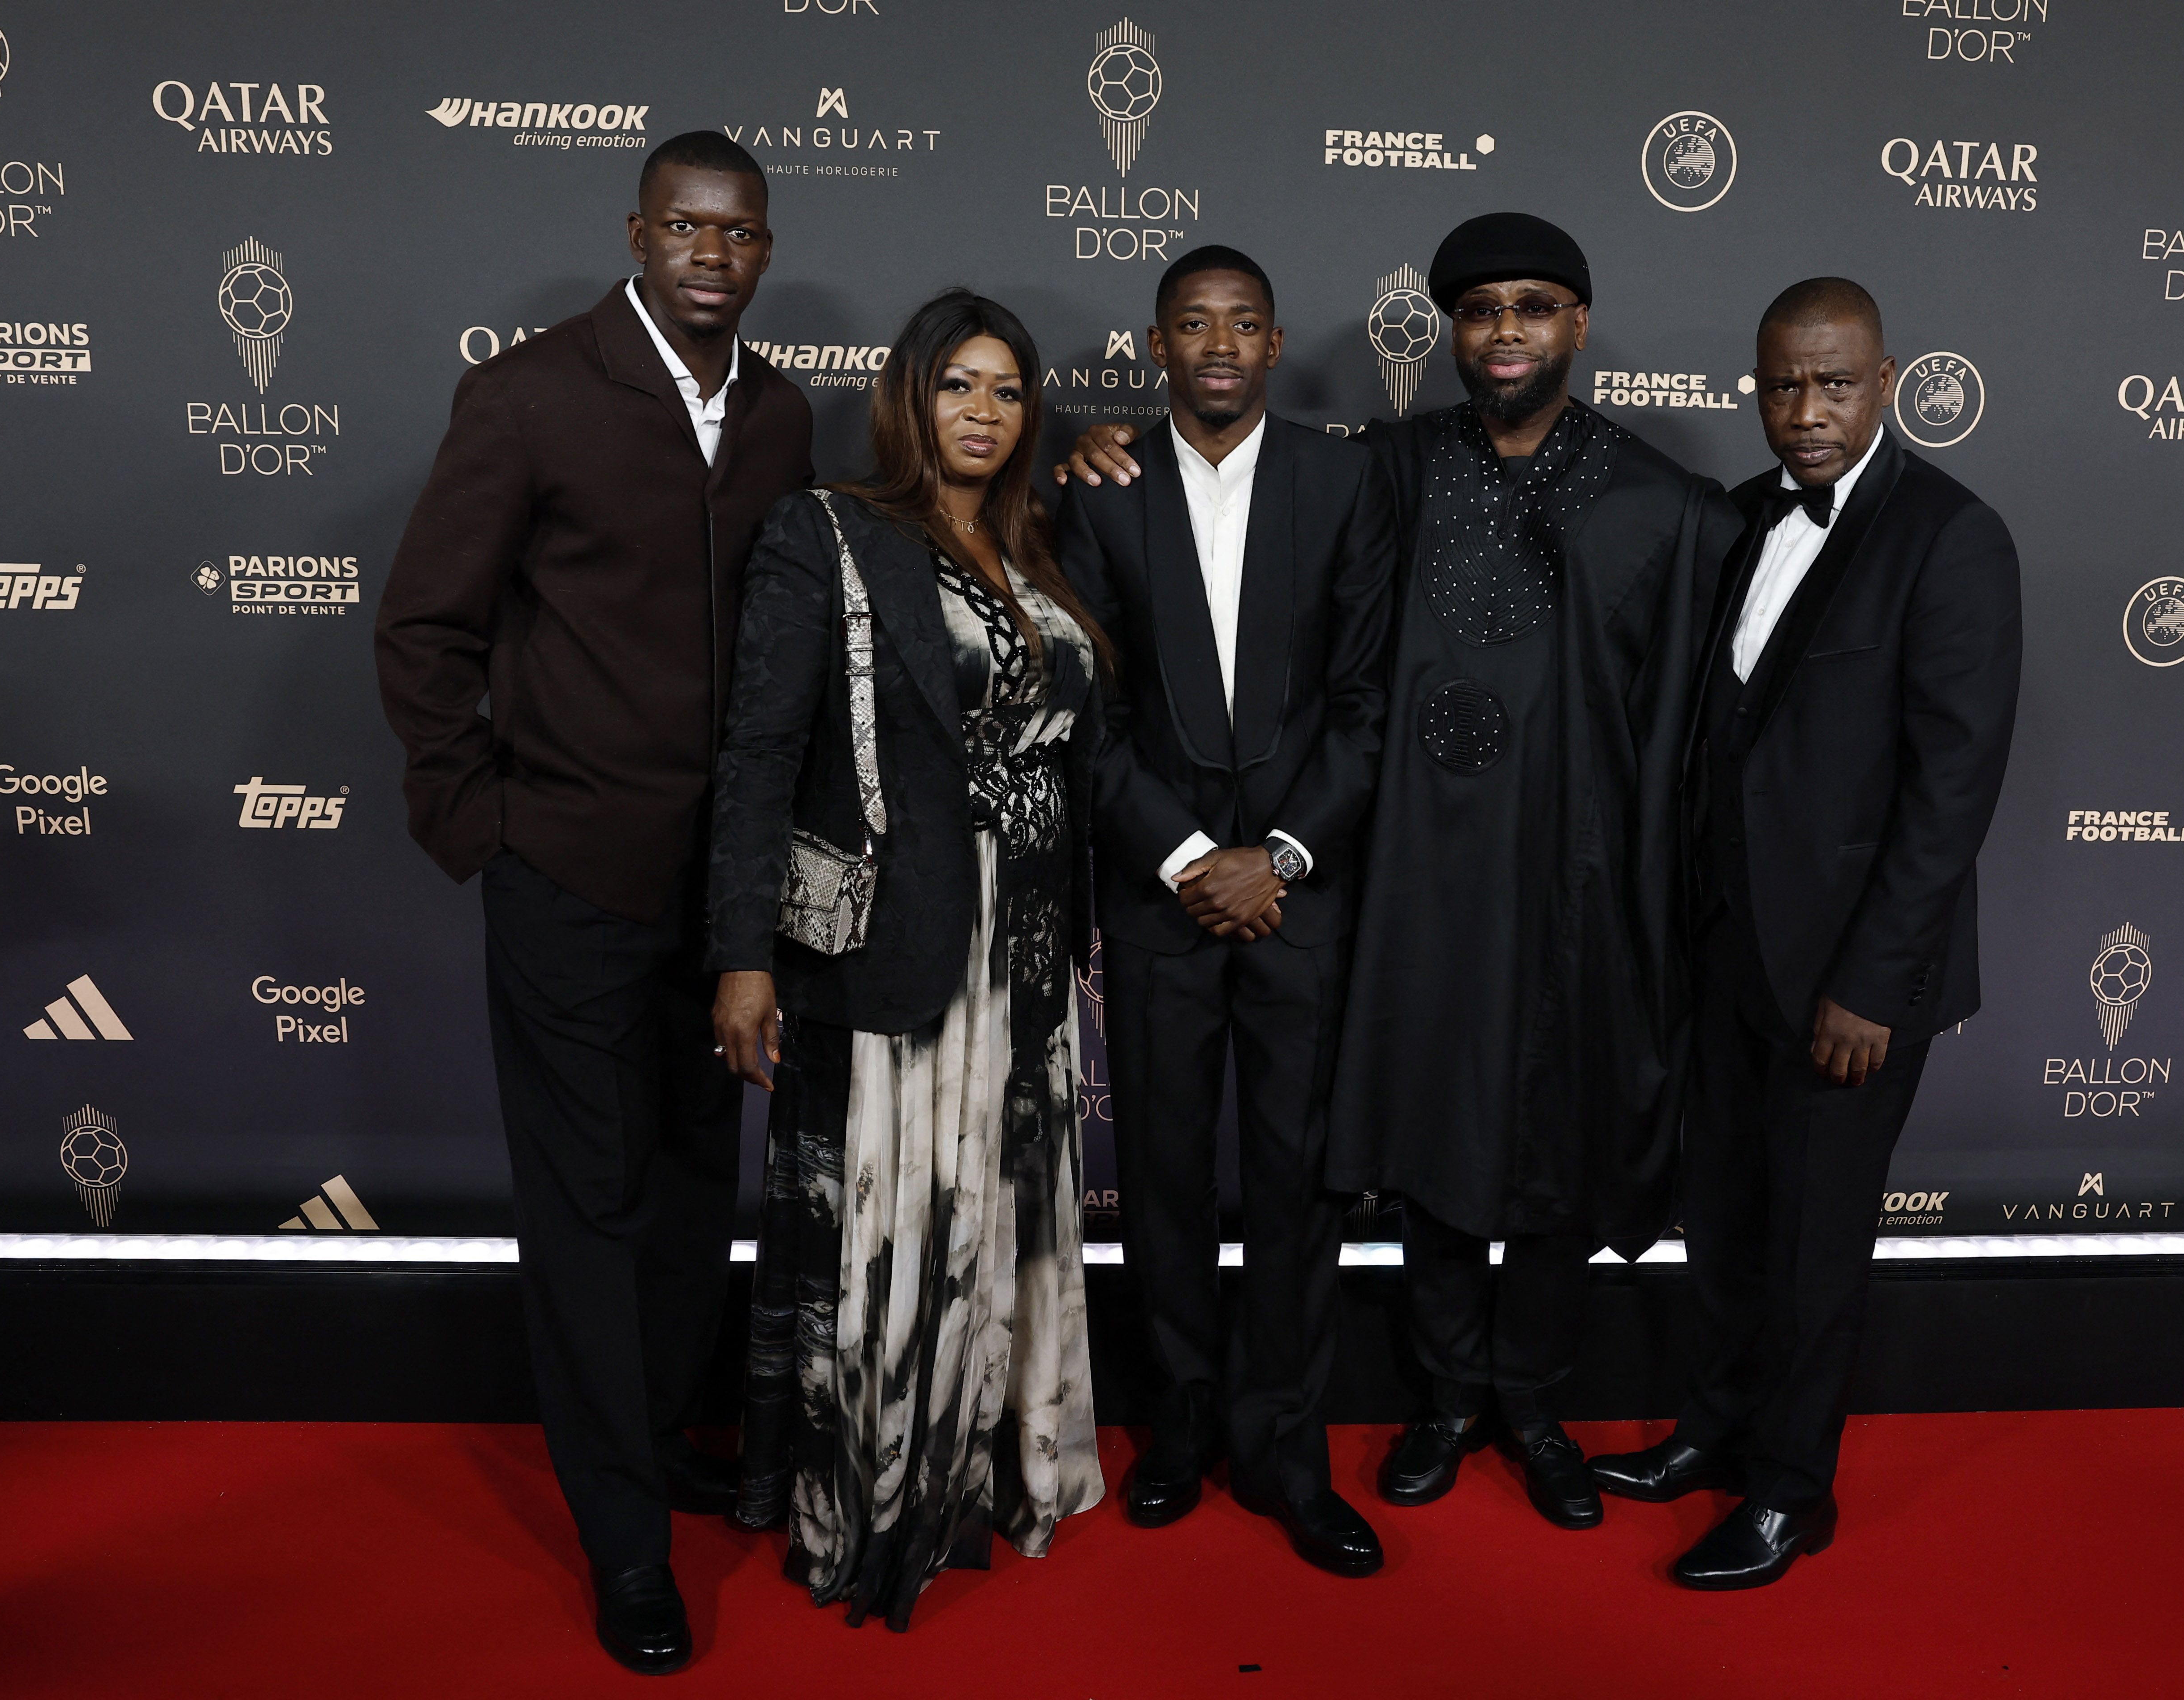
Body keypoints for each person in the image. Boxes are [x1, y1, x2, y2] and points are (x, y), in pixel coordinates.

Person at [1061, 214, 1739, 1531]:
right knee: (1424, 1133)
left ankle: (1524, 1405)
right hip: (1412, 889)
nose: (1505, 332)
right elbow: (1199, 525)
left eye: (1534, 308)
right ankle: (1432, 1400)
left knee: (1538, 1138)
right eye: (1480, 310)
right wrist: (1093, 449)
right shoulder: (1388, 467)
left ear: (1577, 327)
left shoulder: (1665, 504)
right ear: (1444, 329)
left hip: (1566, 893)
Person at [374, 132, 809, 1675]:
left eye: (740, 233)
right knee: (589, 1210)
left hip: (726, 893)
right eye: (687, 227)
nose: (714, 252)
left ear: (763, 252)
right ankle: (626, 1542)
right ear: (638, 233)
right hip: (567, 876)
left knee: (697, 1189)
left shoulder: (774, 412)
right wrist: (485, 820)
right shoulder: (534, 392)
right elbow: (426, 626)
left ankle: (664, 1437)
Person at [1587, 278, 2020, 1588]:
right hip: (1726, 953)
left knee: (1814, 1244)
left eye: (1835, 384)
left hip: (1850, 980)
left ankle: (1790, 1491)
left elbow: (1952, 793)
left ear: (1887, 382)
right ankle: (1715, 1433)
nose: (1806, 411)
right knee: (1722, 1221)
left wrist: (1873, 983)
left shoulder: (1952, 537)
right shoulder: (1741, 517)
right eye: (1783, 385)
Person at [710, 289, 1110, 1631]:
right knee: (900, 1219)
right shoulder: (829, 533)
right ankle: (879, 1498)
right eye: (959, 386)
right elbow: (762, 751)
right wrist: (741, 957)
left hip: (1035, 942)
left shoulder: (1039, 546)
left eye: (1007, 391)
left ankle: (992, 1461)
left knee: (999, 1202)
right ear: (908, 398)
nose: (983, 413)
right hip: (897, 944)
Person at [1055, 247, 1396, 1575]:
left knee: (1301, 1191)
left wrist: (1285, 857)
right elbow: (1085, 709)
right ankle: (1184, 1430)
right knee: (1171, 1190)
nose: (1217, 343)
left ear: (1275, 342)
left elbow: (1367, 701)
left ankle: (1288, 1449)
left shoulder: (1347, 478)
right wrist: (1195, 854)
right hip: (1159, 901)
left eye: (1242, 324)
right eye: (1191, 323)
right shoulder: (1099, 488)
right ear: (1156, 346)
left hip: (1302, 903)